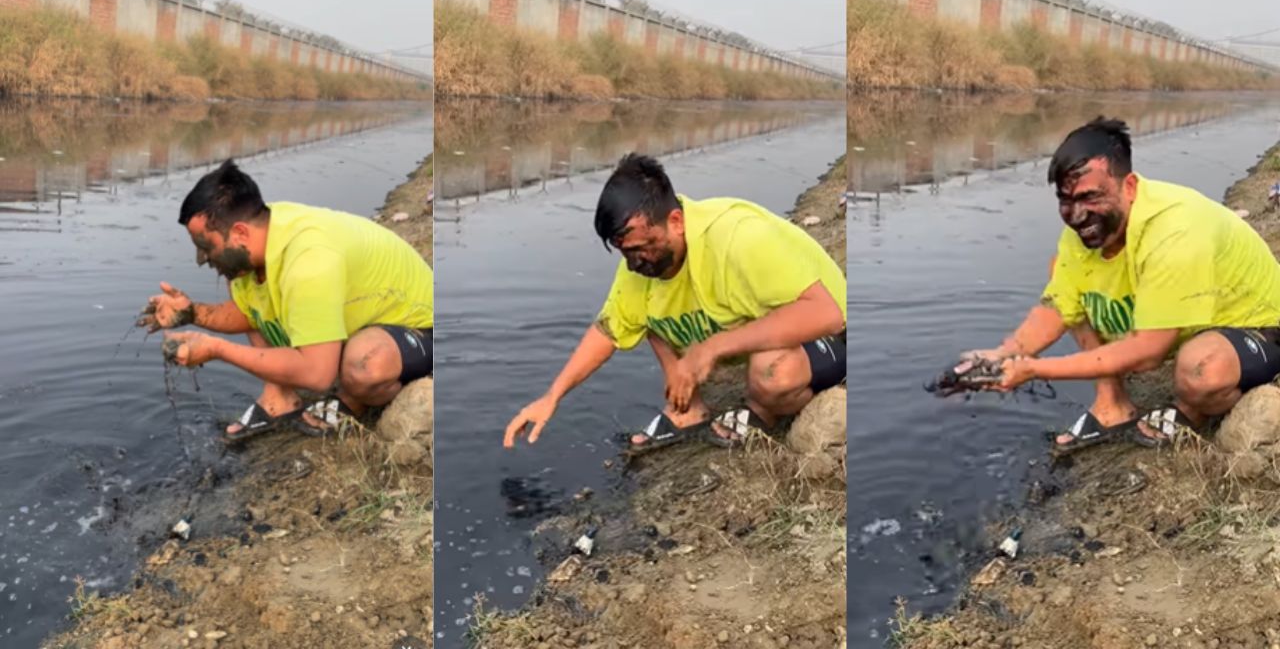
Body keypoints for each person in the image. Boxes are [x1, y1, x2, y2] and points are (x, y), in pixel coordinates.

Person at [968, 117, 1280, 451]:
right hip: (1196, 313)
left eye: (1090, 197)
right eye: (1066, 200)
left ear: (1129, 186)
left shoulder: (1176, 230)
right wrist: (1005, 354)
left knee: (1200, 369)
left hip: (1260, 325)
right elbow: (1059, 307)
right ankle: (1111, 404)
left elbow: (1148, 353)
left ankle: (1193, 410)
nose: (1076, 215)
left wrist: (1033, 368)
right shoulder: (1089, 230)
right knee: (1061, 268)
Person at [503, 152, 846, 451]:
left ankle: (763, 411)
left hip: (829, 332)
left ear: (676, 222)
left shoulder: (739, 237)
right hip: (763, 326)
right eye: (625, 254)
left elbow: (825, 313)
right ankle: (688, 409)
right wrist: (553, 396)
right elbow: (608, 331)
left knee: (772, 372)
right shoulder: (640, 266)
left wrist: (711, 348)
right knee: (646, 312)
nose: (634, 264)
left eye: (641, 249)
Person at [139, 159, 434, 442]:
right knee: (239, 272)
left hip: (419, 326)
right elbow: (252, 313)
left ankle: (353, 400)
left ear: (240, 232)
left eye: (205, 245)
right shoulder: (261, 232)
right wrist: (193, 313)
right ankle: (278, 396)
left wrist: (216, 349)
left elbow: (318, 376)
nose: (201, 258)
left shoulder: (309, 260)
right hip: (359, 315)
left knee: (363, 365)